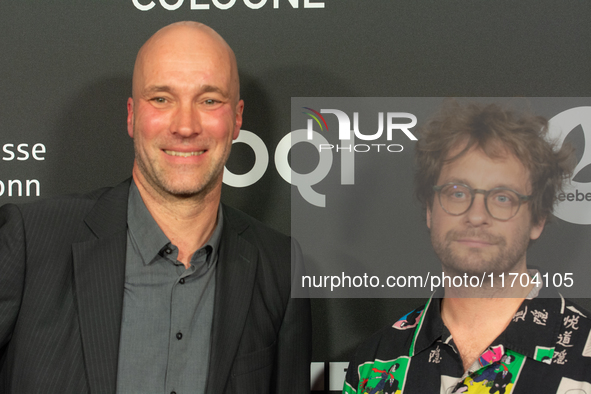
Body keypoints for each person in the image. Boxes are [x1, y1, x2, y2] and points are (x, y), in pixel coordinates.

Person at [0, 21, 311, 393]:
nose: (185, 126)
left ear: (237, 118)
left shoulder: (279, 267)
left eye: (209, 100)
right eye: (162, 99)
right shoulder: (30, 242)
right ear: (132, 115)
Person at [343, 101, 591, 393]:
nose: (476, 215)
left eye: (503, 197)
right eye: (458, 192)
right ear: (430, 211)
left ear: (538, 219)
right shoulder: (374, 362)